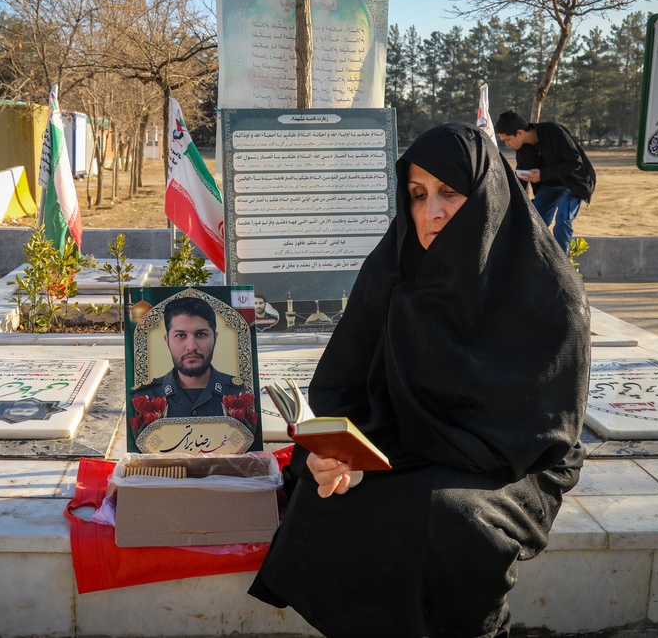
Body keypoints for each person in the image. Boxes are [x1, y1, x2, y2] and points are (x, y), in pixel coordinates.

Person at [249, 123, 588, 638]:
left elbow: (546, 430)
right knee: (331, 501)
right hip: (405, 445)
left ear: (487, 195)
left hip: (514, 460)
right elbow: (343, 391)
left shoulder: (548, 293)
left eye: (449, 192)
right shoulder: (394, 272)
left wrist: (429, 454)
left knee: (447, 516)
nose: (431, 211)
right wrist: (334, 453)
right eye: (417, 194)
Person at [494, 110, 596, 253]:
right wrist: (513, 201)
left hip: (573, 183)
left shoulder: (554, 132)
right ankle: (537, 262)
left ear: (520, 133)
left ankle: (562, 267)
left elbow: (575, 162)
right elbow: (522, 176)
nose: (507, 144)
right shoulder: (521, 147)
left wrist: (542, 174)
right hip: (549, 186)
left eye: (508, 140)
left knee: (562, 220)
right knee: (534, 221)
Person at [132, 296, 246, 417]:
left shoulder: (241, 393)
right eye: (181, 335)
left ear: (215, 338)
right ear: (167, 341)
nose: (191, 347)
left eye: (201, 334)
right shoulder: (143, 397)